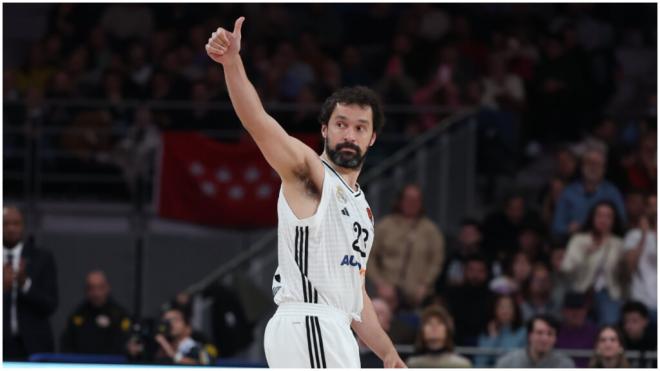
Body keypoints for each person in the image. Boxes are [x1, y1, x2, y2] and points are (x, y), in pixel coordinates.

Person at [206, 18, 405, 368]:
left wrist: (388, 353)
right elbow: (258, 121)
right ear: (325, 129)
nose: (349, 134)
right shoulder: (311, 173)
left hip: (333, 327)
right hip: (310, 321)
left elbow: (354, 296)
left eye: (361, 128)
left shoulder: (363, 209)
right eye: (341, 124)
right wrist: (233, 64)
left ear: (372, 138)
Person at [368, 183, 446, 311]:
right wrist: (380, 283)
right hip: (387, 293)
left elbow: (437, 261)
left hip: (418, 295)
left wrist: (425, 285)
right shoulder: (385, 226)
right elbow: (368, 256)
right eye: (408, 199)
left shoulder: (431, 231)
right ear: (400, 201)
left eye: (416, 200)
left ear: (421, 203)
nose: (412, 203)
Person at [3, 206, 59, 360]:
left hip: (31, 346)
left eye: (16, 223)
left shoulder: (42, 258)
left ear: (23, 226)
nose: (11, 228)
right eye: (5, 224)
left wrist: (25, 284)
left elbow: (50, 304)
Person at [560, 201, 626, 326]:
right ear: (592, 217)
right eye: (600, 215)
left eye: (608, 216)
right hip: (581, 292)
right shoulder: (579, 240)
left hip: (609, 294)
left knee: (609, 322)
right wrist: (585, 254)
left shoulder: (619, 244)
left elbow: (623, 276)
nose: (603, 220)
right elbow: (566, 269)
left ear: (614, 220)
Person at [552, 145, 626, 237]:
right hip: (574, 241)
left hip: (605, 242)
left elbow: (622, 222)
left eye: (598, 164)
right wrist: (568, 229)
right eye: (590, 163)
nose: (593, 167)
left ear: (604, 169)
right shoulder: (569, 192)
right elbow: (556, 226)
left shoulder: (612, 192)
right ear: (582, 166)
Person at [60, 270, 132, 354]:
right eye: (91, 288)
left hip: (113, 365)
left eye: (100, 288)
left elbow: (126, 344)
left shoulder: (119, 315)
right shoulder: (78, 315)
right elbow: (67, 345)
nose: (96, 293)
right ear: (86, 290)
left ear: (107, 288)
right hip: (83, 365)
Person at [128, 306, 211, 365]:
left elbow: (204, 364)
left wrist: (170, 351)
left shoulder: (194, 347)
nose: (171, 324)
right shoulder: (156, 344)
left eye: (175, 320)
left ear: (187, 327)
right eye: (167, 321)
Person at [442, 254, 493, 346]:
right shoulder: (452, 295)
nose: (475, 275)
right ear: (464, 271)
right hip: (456, 343)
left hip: (484, 343)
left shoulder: (493, 299)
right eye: (471, 270)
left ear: (486, 273)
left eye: (480, 271)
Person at [495, 314, 575, 368]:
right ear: (530, 335)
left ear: (555, 338)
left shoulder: (566, 365)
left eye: (550, 334)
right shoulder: (507, 364)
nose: (544, 338)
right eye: (539, 333)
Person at [623, 193, 657, 319]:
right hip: (641, 304)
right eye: (651, 205)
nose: (655, 209)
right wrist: (643, 237)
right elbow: (629, 269)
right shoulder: (633, 235)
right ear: (645, 209)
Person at [405, 305, 472, 368]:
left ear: (447, 329)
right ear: (422, 330)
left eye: (440, 323)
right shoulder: (412, 364)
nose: (434, 327)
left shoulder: (461, 365)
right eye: (429, 323)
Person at [474, 294, 526, 367]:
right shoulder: (486, 333)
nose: (505, 310)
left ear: (515, 310)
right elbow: (479, 363)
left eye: (509, 307)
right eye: (501, 307)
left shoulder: (523, 333)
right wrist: (493, 338)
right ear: (495, 310)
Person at [555, 292, 599, 367]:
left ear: (585, 311)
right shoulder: (556, 331)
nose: (576, 314)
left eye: (580, 309)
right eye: (572, 310)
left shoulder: (594, 332)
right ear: (563, 311)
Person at [620, 301, 657, 368]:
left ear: (645, 321)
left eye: (634, 321)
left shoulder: (656, 341)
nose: (629, 326)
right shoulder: (618, 341)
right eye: (626, 321)